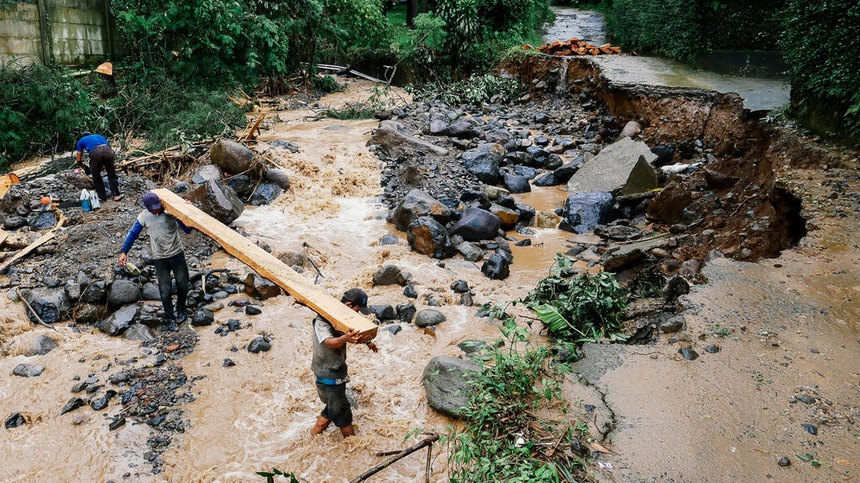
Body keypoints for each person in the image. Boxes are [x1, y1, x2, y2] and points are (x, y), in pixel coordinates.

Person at [311, 288, 379, 437]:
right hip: (327, 376)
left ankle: (312, 438)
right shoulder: (323, 320)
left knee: (331, 410)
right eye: (357, 309)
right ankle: (353, 448)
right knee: (343, 415)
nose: (358, 313)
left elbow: (352, 331)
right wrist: (345, 339)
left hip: (336, 373)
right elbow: (328, 342)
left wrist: (367, 342)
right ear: (348, 305)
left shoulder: (343, 317)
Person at [119, 192, 192, 323]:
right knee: (165, 290)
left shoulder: (171, 212)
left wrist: (188, 211)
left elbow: (188, 230)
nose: (156, 210)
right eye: (153, 209)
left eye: (158, 207)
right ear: (147, 208)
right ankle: (170, 319)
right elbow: (133, 234)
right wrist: (124, 251)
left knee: (183, 285)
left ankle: (181, 309)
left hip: (177, 254)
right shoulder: (144, 217)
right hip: (160, 258)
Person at [75, 132, 121, 202]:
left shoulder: (81, 140)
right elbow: (106, 149)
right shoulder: (99, 136)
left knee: (96, 175)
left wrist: (82, 166)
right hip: (108, 151)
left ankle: (102, 197)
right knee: (111, 173)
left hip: (96, 152)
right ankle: (116, 195)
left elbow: (78, 159)